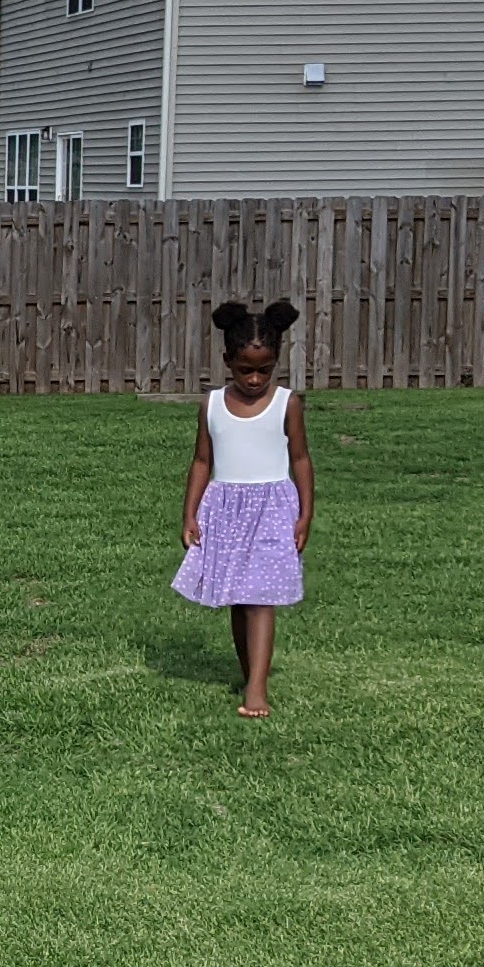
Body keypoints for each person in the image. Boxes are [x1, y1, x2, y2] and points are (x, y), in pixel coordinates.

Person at [173, 297, 312, 717]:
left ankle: (257, 688)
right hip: (225, 510)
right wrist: (190, 513)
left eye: (264, 370)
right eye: (244, 369)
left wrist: (305, 515)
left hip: (272, 509)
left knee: (260, 597)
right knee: (237, 596)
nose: (254, 379)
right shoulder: (212, 405)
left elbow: (301, 460)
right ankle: (249, 671)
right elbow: (202, 461)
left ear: (276, 363)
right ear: (227, 361)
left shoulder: (287, 403)